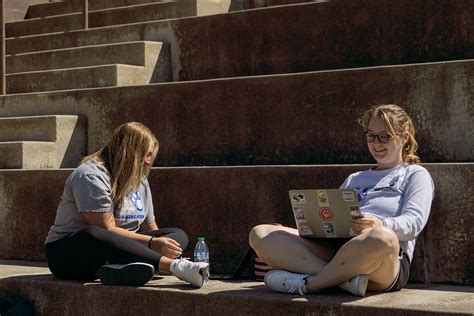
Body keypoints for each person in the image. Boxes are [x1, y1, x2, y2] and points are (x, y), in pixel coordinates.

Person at [249, 104, 434, 296]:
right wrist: (314, 224)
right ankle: (344, 281)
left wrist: (380, 223)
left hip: (383, 257)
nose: (376, 144)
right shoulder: (355, 178)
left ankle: (310, 284)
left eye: (384, 136)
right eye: (371, 136)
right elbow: (334, 215)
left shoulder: (414, 174)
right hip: (339, 249)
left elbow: (415, 222)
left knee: (382, 236)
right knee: (261, 233)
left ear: (404, 138)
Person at [45, 122, 209, 287]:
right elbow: (107, 230)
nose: (149, 161)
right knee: (93, 233)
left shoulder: (140, 180)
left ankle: (124, 267)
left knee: (177, 235)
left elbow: (150, 228)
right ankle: (174, 267)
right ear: (130, 151)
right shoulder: (90, 176)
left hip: (120, 249)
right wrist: (152, 243)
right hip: (70, 256)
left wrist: (162, 244)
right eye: (147, 154)